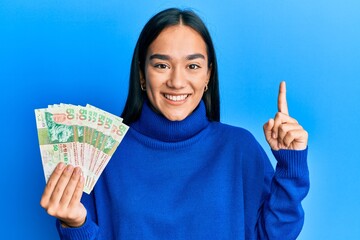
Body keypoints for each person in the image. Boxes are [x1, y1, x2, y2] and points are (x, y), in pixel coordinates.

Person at [40, 8, 309, 240]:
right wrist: (75, 225)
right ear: (142, 75)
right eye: (161, 65)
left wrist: (291, 164)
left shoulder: (239, 148)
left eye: (192, 66)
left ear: (208, 76)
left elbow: (273, 236)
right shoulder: (101, 152)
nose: (177, 82)